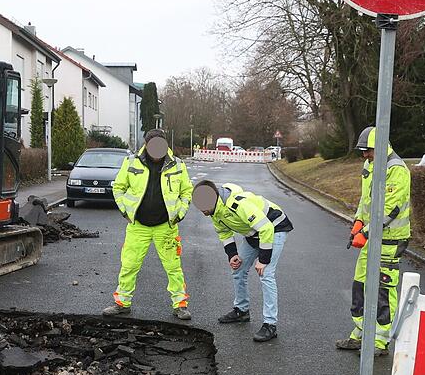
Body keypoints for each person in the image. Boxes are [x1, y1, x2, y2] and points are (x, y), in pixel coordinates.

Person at [336, 126, 411, 356]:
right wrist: (358, 221)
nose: (364, 156)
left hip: (390, 239)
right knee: (360, 284)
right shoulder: (370, 165)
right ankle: (361, 332)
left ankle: (380, 341)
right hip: (372, 236)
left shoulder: (396, 169)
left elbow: (391, 209)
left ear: (379, 147)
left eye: (367, 151)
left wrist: (366, 232)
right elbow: (366, 199)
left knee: (382, 289)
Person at [104, 129, 193, 320]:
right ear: (146, 145)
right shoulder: (131, 162)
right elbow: (118, 187)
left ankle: (180, 305)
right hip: (138, 226)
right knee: (129, 265)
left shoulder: (177, 165)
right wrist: (124, 211)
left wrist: (181, 213)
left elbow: (186, 191)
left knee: (173, 267)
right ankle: (122, 303)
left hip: (166, 227)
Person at [192, 180, 293, 342]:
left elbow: (266, 228)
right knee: (238, 268)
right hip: (253, 233)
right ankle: (242, 310)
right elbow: (223, 233)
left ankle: (270, 324)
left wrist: (263, 259)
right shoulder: (214, 210)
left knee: (266, 273)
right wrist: (232, 254)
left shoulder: (237, 204)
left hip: (274, 228)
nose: (201, 209)